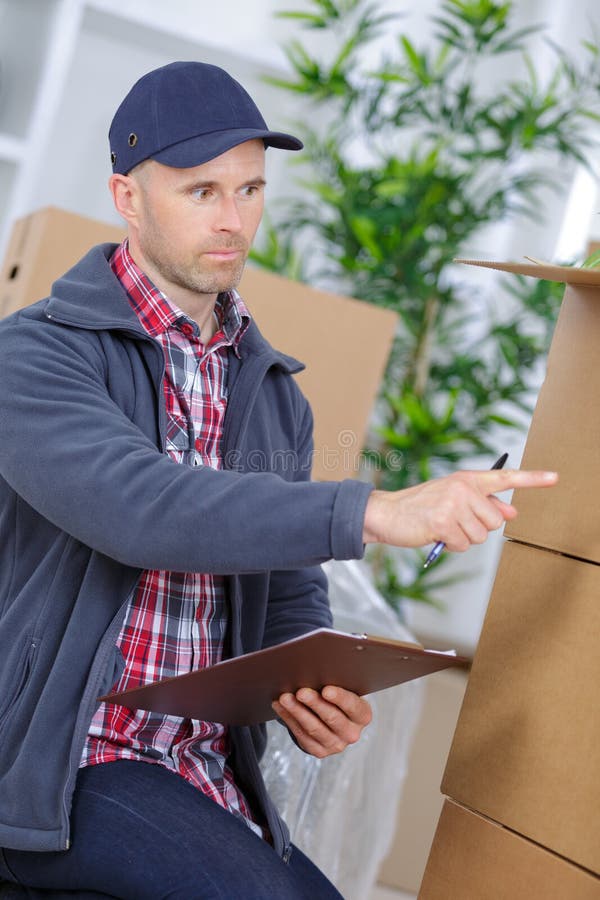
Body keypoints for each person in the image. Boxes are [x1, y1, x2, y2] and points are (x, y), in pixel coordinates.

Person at [0, 61, 556, 899]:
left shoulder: (273, 399)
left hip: (198, 765)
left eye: (251, 190)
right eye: (203, 192)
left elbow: (287, 591)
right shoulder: (33, 356)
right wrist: (374, 510)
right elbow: (142, 507)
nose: (234, 221)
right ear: (127, 197)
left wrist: (308, 686)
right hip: (67, 760)